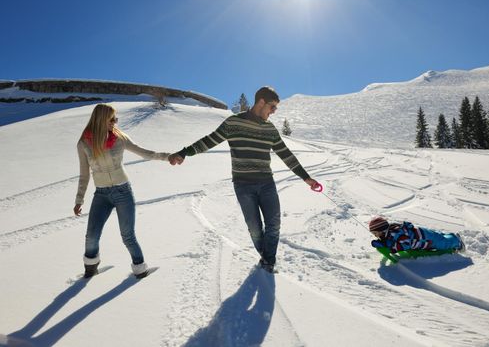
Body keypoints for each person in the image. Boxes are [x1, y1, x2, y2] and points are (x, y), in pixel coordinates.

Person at [168, 86, 320, 273]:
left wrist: (306, 178)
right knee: (255, 229)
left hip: (267, 183)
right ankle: (266, 257)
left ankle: (268, 262)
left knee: (274, 224)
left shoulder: (270, 129)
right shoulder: (234, 123)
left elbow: (286, 155)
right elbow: (209, 141)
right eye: (272, 107)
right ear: (261, 102)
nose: (274, 112)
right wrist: (184, 152)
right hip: (243, 185)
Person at [74, 103, 170, 278]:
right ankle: (90, 269)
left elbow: (145, 153)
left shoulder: (119, 138)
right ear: (101, 119)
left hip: (123, 192)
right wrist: (79, 200)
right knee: (91, 236)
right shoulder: (84, 143)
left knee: (127, 236)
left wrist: (167, 157)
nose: (115, 122)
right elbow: (84, 174)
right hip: (101, 195)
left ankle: (140, 270)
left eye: (115, 119)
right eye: (112, 119)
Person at [369, 216, 465, 253]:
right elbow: (390, 240)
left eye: (375, 233)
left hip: (426, 238)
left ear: (383, 230)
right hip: (421, 234)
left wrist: (390, 247)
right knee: (438, 236)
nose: (375, 235)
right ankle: (446, 235)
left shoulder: (395, 234)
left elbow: (406, 245)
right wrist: (384, 243)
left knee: (443, 244)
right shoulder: (389, 233)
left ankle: (456, 240)